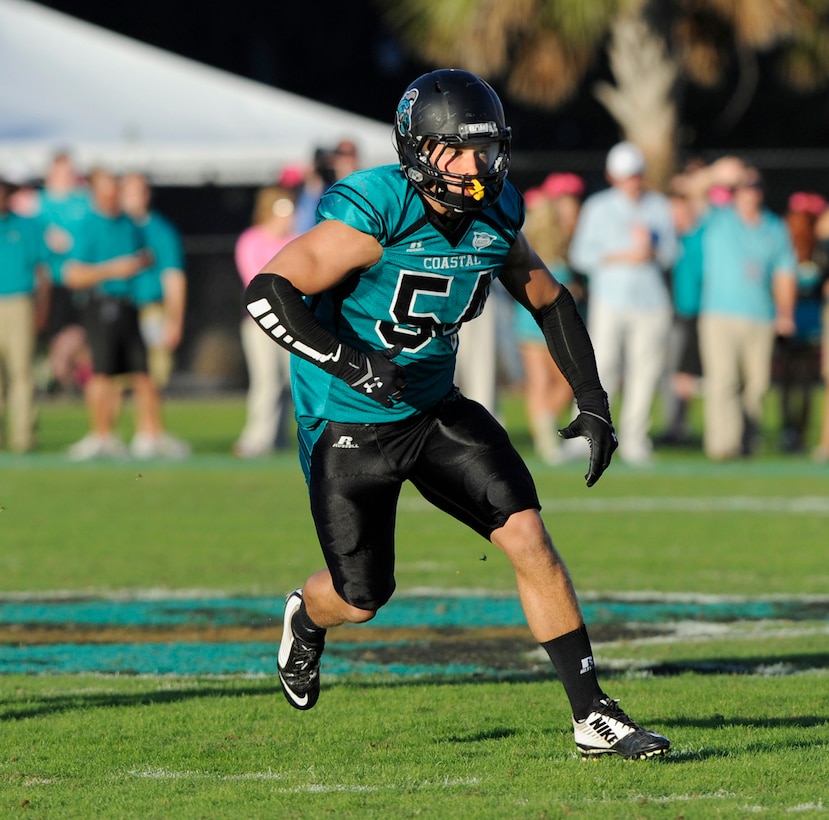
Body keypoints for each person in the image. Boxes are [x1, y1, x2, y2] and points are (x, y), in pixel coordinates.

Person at [244, 69, 669, 760]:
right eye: (460, 149)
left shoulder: (497, 209)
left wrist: (591, 399)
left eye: (486, 147)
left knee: (528, 536)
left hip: (435, 406)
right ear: (419, 149)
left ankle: (592, 714)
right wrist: (348, 362)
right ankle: (306, 617)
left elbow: (549, 299)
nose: (478, 166)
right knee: (359, 597)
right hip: (351, 420)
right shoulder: (375, 210)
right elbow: (268, 294)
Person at [569, 141, 678, 465]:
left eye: (636, 174)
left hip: (651, 301)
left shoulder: (658, 206)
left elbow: (672, 253)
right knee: (600, 368)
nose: (633, 181)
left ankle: (634, 439)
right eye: (626, 175)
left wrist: (653, 252)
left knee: (645, 372)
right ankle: (587, 434)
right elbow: (581, 255)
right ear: (612, 176)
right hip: (611, 299)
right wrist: (623, 256)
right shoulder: (598, 207)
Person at [697, 167, 798, 460]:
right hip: (720, 314)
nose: (749, 192)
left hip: (760, 315)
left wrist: (785, 313)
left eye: (754, 186)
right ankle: (722, 445)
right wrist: (719, 173)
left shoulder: (774, 227)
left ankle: (747, 441)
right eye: (743, 186)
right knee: (724, 380)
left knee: (757, 385)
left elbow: (784, 273)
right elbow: (690, 190)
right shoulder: (718, 218)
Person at [60, 167, 161, 460]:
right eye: (106, 187)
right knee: (102, 372)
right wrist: (114, 268)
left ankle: (149, 435)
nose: (112, 194)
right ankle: (100, 435)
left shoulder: (129, 223)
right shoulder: (87, 225)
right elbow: (72, 275)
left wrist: (140, 262)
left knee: (141, 372)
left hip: (129, 304)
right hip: (100, 303)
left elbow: (145, 256)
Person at [119, 172, 190, 459]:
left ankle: (150, 432)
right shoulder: (113, 226)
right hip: (118, 307)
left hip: (150, 308)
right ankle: (113, 434)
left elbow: (174, 277)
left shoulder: (160, 230)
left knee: (150, 372)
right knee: (118, 374)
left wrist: (174, 318)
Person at [514, 178, 585, 463]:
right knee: (540, 381)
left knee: (565, 381)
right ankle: (545, 439)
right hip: (531, 318)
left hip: (558, 319)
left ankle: (545, 427)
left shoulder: (568, 242)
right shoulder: (532, 238)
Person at [233, 185, 299, 457]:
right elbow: (256, 280)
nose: (287, 217)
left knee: (289, 381)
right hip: (262, 322)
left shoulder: (297, 239)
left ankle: (277, 437)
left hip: (294, 320)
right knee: (266, 380)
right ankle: (256, 438)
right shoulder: (251, 240)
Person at [0, 165, 51, 452]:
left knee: (21, 372)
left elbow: (42, 271)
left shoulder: (26, 226)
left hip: (18, 302)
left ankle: (23, 436)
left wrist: (42, 308)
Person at [776, 195, 827, 453]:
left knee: (807, 381)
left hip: (811, 325)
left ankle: (802, 432)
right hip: (788, 322)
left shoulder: (821, 253)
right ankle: (788, 431)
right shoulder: (783, 250)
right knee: (786, 380)